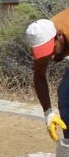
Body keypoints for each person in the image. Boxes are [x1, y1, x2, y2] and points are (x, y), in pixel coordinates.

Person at [25, 9, 69, 142]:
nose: (52, 56)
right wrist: (48, 113)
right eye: (46, 53)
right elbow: (39, 75)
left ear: (59, 35)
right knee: (65, 94)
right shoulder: (43, 37)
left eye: (52, 50)